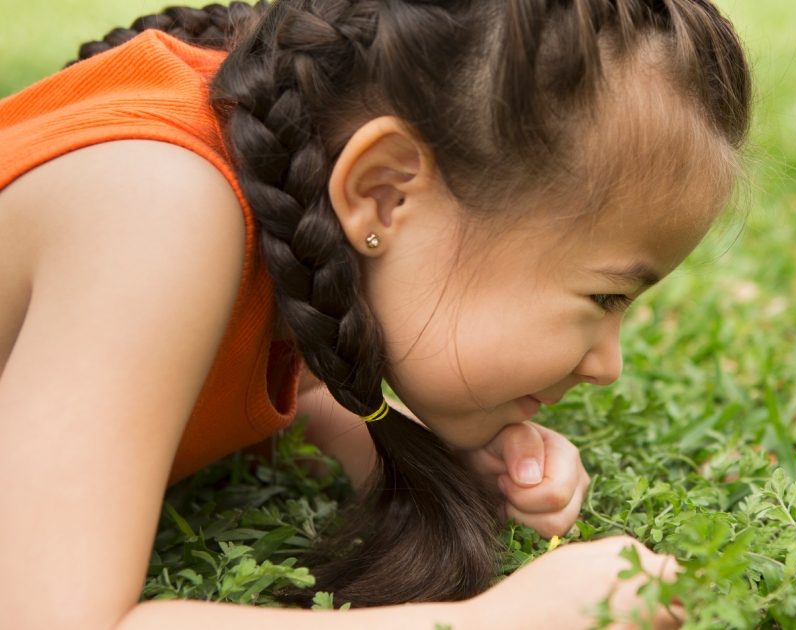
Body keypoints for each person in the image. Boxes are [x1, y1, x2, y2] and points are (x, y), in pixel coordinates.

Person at [0, 0, 751, 627]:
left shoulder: (273, 188)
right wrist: (502, 618)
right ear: (386, 192)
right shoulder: (157, 205)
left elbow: (243, 368)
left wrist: (392, 443)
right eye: (605, 297)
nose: (607, 366)